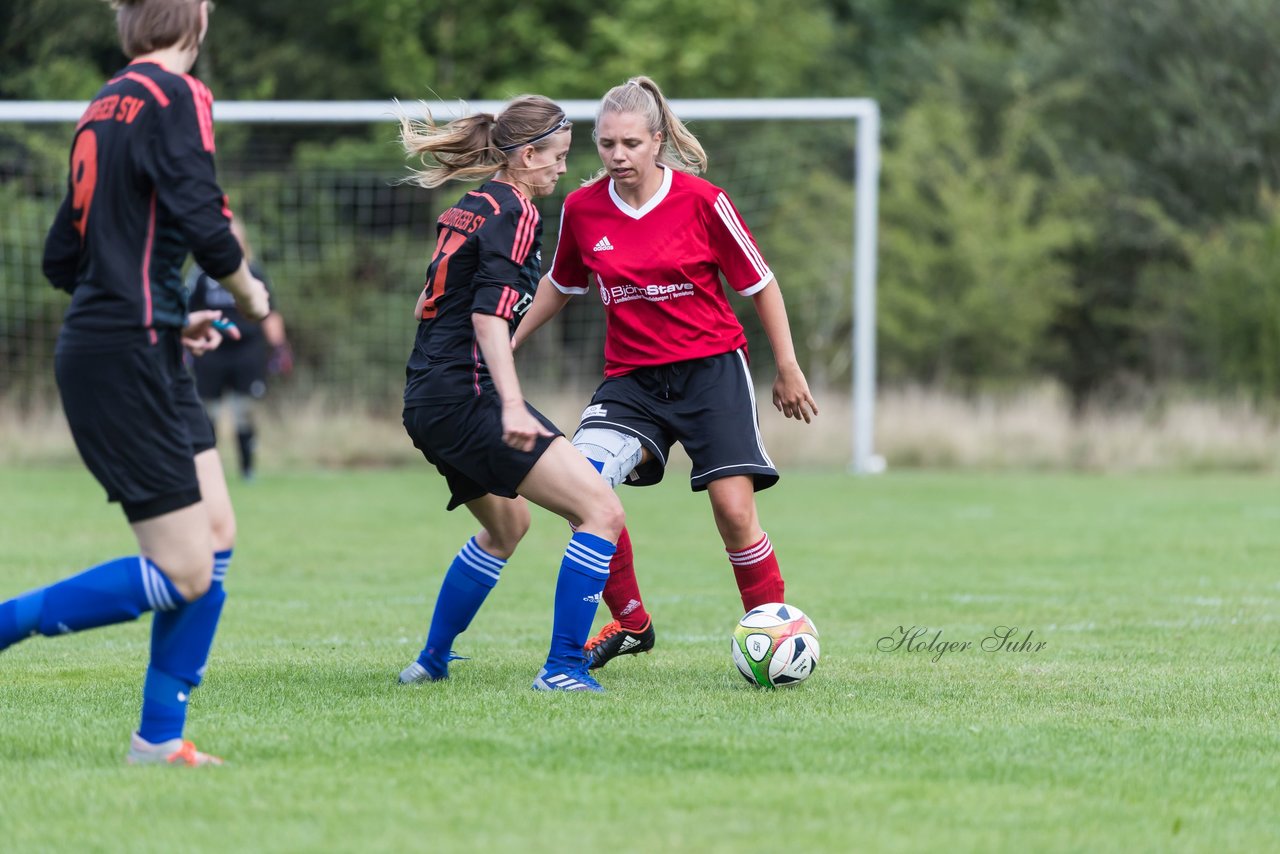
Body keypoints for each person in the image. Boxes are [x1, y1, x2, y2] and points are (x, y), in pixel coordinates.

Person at [0, 0, 269, 766]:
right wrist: (247, 293)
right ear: (200, 17)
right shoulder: (177, 94)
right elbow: (201, 211)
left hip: (140, 342)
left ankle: (158, 739)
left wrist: (166, 312)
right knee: (183, 569)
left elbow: (64, 254)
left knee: (216, 535)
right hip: (123, 352)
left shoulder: (104, 103)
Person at [512, 76, 819, 670]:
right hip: (633, 381)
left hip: (711, 372)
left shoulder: (704, 202)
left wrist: (787, 366)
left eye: (630, 143)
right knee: (584, 486)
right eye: (606, 144)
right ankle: (630, 622)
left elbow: (762, 283)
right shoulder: (582, 207)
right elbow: (560, 285)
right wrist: (509, 341)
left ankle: (775, 643)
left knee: (733, 512)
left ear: (657, 140)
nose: (617, 156)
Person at [394, 95, 625, 692]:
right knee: (600, 511)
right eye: (556, 157)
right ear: (525, 156)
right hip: (470, 397)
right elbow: (486, 318)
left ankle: (430, 660)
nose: (561, 169)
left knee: (507, 526)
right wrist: (513, 402)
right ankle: (564, 669)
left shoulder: (472, 205)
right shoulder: (516, 211)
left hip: (426, 401)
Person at [186, 218, 293, 481]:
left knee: (243, 413)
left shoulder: (253, 273)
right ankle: (207, 473)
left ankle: (247, 471)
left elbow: (269, 312)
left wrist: (279, 346)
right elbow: (187, 311)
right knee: (207, 414)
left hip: (246, 352)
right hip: (211, 352)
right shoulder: (200, 274)